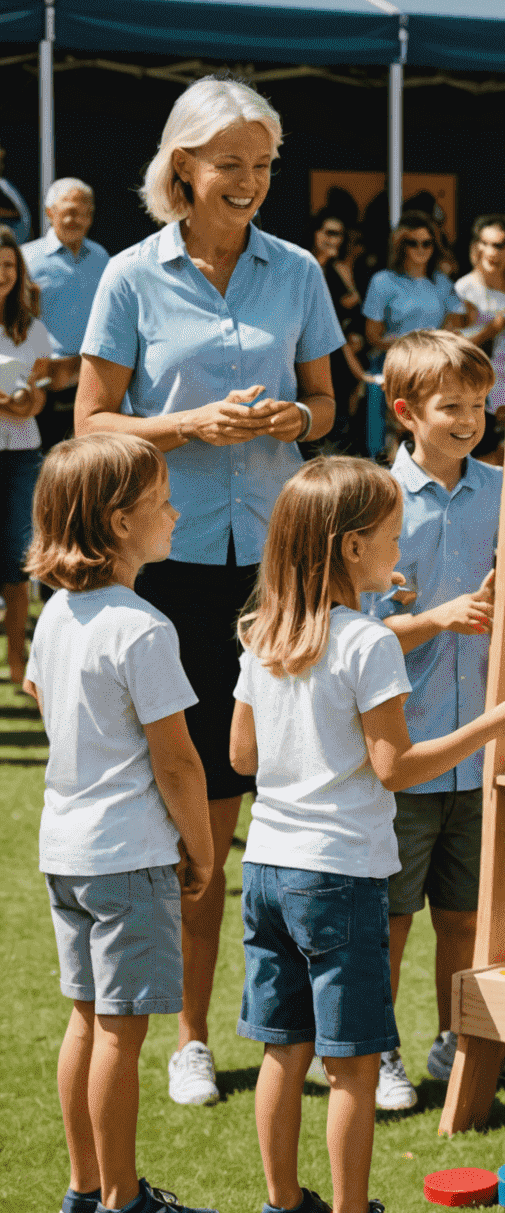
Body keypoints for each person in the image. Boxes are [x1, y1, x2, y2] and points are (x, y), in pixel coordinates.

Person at [76, 75, 344, 1108]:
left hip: (283, 565)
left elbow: (327, 405)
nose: (250, 180)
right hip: (176, 572)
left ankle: (310, 1029)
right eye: (229, 161)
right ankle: (191, 1037)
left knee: (311, 805)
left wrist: (293, 425)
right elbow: (94, 422)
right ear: (181, 166)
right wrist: (187, 428)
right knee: (204, 821)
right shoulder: (130, 279)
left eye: (263, 162)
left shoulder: (299, 272)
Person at [230, 457, 505, 1213]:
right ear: (348, 550)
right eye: (389, 535)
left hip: (267, 866)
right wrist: (493, 726)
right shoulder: (368, 641)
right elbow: (396, 768)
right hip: (338, 876)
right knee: (353, 1065)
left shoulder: (263, 634)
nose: (400, 547)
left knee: (283, 1048)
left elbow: (242, 754)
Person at [23, 434, 221, 1213]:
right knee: (119, 1032)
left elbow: (40, 696)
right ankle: (122, 1204)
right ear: (116, 520)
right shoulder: (142, 627)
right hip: (126, 853)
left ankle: (85, 1190)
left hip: (66, 848)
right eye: (163, 498)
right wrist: (203, 849)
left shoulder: (57, 615)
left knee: (85, 1022)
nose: (177, 510)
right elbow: (177, 758)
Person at [357, 332, 502, 1109]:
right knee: (391, 919)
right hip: (402, 754)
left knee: (464, 914)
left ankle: (456, 1044)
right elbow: (348, 634)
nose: (471, 419)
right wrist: (436, 618)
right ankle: (377, 1053)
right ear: (408, 412)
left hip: (481, 752)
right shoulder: (373, 501)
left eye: (480, 405)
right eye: (454, 406)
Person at [0, 230, 57, 676]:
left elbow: (39, 394)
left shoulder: (31, 328)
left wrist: (25, 404)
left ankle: (17, 661)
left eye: (8, 266)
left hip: (21, 453)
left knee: (19, 559)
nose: (2, 275)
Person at [361, 217, 465, 456]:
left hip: (434, 368)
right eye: (413, 243)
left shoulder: (441, 282)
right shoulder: (383, 281)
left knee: (428, 435)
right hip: (395, 365)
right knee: (391, 439)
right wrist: (413, 344)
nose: (420, 249)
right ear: (401, 245)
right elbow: (372, 335)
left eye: (427, 243)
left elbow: (457, 322)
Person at [22, 178, 110, 452]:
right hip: (44, 380)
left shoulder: (101, 257)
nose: (77, 219)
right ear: (50, 212)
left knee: (86, 461)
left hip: (91, 374)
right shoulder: (27, 259)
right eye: (69, 211)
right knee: (46, 464)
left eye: (85, 213)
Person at [454, 214, 505, 462]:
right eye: (486, 243)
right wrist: (493, 328)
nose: (492, 251)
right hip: (479, 392)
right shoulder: (463, 289)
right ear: (475, 247)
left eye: (499, 245)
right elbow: (453, 345)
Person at [310, 210, 368, 455]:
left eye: (340, 235)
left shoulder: (338, 269)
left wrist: (357, 335)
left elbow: (352, 314)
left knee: (341, 433)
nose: (335, 240)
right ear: (315, 233)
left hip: (340, 362)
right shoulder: (301, 267)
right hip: (310, 358)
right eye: (329, 233)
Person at [0, 141, 31, 244]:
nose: (2, 166)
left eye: (1, 161)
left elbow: (16, 213)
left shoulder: (3, 185)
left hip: (14, 242)